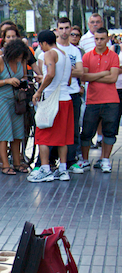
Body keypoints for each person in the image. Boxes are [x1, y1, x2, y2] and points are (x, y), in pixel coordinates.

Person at [27, 30, 73, 182]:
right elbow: (68, 79)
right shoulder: (65, 55)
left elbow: (51, 73)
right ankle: (63, 169)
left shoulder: (49, 53)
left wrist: (39, 91)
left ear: (43, 43)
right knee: (62, 138)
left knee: (42, 136)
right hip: (66, 98)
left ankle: (45, 169)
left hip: (52, 100)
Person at [79, 27, 120, 174]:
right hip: (92, 100)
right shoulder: (88, 56)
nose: (99, 41)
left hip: (111, 100)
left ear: (107, 39)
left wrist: (93, 76)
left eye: (102, 39)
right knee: (87, 132)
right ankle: (85, 159)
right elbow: (83, 77)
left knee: (109, 132)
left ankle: (105, 160)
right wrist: (103, 73)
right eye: (96, 38)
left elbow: (113, 78)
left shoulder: (114, 56)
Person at [0, 40, 28, 175]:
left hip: (16, 99)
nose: (19, 59)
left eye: (21, 57)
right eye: (17, 56)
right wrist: (7, 81)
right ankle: (5, 164)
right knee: (3, 132)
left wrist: (24, 83)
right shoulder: (0, 61)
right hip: (1, 99)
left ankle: (17, 162)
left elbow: (24, 77)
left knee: (17, 132)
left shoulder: (21, 61)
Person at [55, 18, 85, 174]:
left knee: (73, 128)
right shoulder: (53, 48)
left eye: (67, 28)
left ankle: (71, 161)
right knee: (55, 129)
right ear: (57, 29)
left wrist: (65, 70)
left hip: (73, 93)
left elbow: (81, 72)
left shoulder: (75, 50)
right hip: (57, 94)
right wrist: (71, 70)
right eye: (62, 28)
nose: (65, 31)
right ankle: (53, 161)